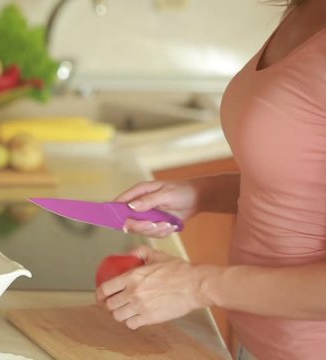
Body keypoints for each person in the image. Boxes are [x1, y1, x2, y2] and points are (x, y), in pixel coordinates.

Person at [94, 0, 326, 359]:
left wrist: (196, 285)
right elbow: (304, 187)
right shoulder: (305, 10)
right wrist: (200, 193)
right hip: (257, 343)